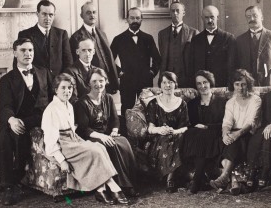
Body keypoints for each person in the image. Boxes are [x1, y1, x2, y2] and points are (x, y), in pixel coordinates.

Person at [42, 73, 129, 205]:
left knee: (99, 147)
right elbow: (50, 141)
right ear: (56, 90)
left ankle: (101, 189)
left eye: (70, 88)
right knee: (95, 151)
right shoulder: (51, 110)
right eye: (63, 88)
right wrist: (62, 160)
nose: (67, 91)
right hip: (62, 144)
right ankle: (113, 186)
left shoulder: (68, 105)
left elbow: (72, 128)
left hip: (72, 139)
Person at [0, 38, 53, 205]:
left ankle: (11, 180)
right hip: (18, 119)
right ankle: (9, 186)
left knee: (15, 133)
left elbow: (51, 100)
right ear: (15, 53)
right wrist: (11, 119)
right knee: (5, 134)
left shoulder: (44, 72)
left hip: (38, 118)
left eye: (30, 50)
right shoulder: (7, 79)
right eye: (23, 50)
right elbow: (5, 106)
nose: (28, 54)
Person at [74, 68, 139, 197]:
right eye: (94, 81)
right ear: (88, 83)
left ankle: (132, 181)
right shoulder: (82, 103)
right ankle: (123, 186)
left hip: (108, 135)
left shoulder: (108, 98)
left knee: (124, 142)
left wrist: (114, 131)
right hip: (92, 137)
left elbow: (115, 120)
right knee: (111, 146)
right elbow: (84, 129)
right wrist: (102, 137)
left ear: (106, 81)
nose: (98, 84)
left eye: (101, 80)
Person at [209, 69, 261, 195]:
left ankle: (225, 176)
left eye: (243, 84)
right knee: (224, 142)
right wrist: (225, 134)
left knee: (235, 142)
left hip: (248, 133)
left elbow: (250, 122)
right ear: (233, 85)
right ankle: (233, 180)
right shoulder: (230, 102)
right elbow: (227, 122)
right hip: (233, 133)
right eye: (237, 84)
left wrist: (235, 135)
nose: (240, 87)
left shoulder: (255, 100)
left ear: (248, 85)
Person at [181, 70, 226, 194]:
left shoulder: (222, 101)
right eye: (199, 84)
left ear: (210, 82)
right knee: (196, 134)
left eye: (205, 82)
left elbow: (225, 123)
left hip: (215, 134)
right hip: (198, 137)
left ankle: (197, 180)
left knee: (203, 135)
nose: (202, 86)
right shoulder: (192, 104)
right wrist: (197, 126)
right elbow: (189, 123)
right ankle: (200, 179)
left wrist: (207, 127)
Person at [111, 7, 161, 115]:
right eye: (132, 18)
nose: (135, 20)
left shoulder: (148, 38)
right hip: (127, 81)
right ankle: (125, 132)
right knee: (127, 109)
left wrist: (152, 72)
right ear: (127, 19)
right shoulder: (118, 39)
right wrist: (119, 72)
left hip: (145, 81)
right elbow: (110, 60)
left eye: (138, 18)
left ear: (141, 20)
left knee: (147, 109)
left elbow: (157, 59)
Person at [145, 71, 190, 193]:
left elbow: (185, 127)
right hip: (159, 138)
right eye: (164, 82)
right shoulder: (153, 103)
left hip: (176, 135)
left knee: (179, 139)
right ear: (160, 85)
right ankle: (173, 176)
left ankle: (171, 177)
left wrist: (174, 131)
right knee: (166, 140)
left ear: (175, 84)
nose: (167, 85)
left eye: (170, 82)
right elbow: (150, 127)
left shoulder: (182, 104)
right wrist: (160, 130)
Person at [69, 2, 119, 94]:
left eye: (94, 12)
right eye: (88, 13)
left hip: (106, 81)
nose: (92, 15)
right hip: (92, 83)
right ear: (81, 16)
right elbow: (77, 64)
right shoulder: (76, 37)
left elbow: (108, 58)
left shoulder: (102, 34)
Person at [17, 0, 73, 77]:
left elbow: (68, 61)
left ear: (54, 15)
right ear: (37, 14)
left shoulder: (62, 34)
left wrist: (63, 80)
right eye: (44, 14)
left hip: (58, 82)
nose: (48, 18)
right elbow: (19, 62)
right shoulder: (25, 34)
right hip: (36, 83)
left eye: (51, 15)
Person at [189, 5, 235, 87]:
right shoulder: (195, 40)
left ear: (217, 17)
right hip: (201, 85)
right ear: (202, 18)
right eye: (206, 18)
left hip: (222, 85)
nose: (209, 20)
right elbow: (192, 66)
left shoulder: (229, 38)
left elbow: (232, 66)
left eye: (212, 17)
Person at [234, 6, 271, 86]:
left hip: (269, 81)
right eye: (248, 17)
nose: (252, 19)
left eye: (255, 15)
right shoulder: (239, 40)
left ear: (261, 17)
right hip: (247, 83)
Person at [158, 1, 199, 87]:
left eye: (178, 11)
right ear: (170, 13)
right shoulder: (162, 34)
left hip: (186, 78)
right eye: (172, 11)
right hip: (168, 78)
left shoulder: (193, 32)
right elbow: (162, 57)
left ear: (183, 13)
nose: (175, 13)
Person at [64, 38, 98, 104]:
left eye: (90, 50)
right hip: (81, 111)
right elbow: (73, 100)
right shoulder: (70, 72)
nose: (87, 54)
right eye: (83, 50)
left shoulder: (97, 70)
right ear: (77, 52)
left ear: (93, 52)